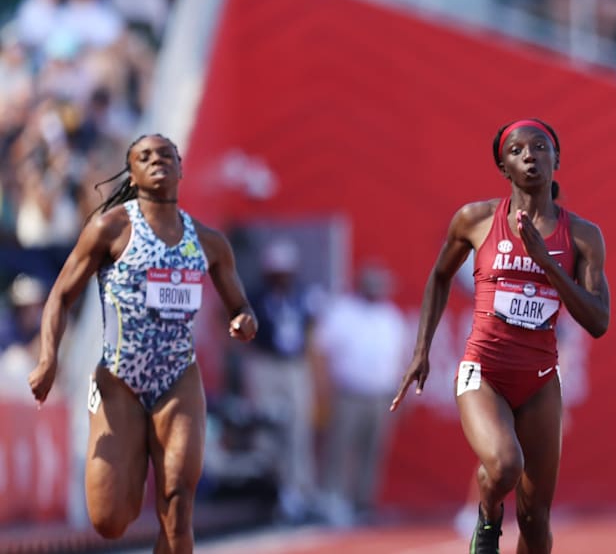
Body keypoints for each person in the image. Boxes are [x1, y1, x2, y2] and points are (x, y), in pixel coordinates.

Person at [26, 133, 257, 553]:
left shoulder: (208, 242)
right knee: (110, 519)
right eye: (144, 156)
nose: (157, 161)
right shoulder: (109, 228)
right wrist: (48, 360)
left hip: (178, 379)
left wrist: (244, 319)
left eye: (166, 155)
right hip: (119, 380)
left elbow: (241, 305)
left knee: (177, 502)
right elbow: (60, 295)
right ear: (132, 172)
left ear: (181, 168)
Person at [391, 118, 610, 554]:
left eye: (540, 147)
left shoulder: (583, 236)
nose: (530, 155)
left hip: (541, 380)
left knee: (534, 518)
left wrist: (547, 263)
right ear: (503, 167)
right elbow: (438, 278)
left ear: (557, 159)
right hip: (483, 371)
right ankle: (487, 519)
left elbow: (598, 320)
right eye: (516, 150)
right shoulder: (475, 219)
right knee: (505, 465)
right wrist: (422, 352)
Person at [312, 262, 408, 527]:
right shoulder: (343, 312)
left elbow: (400, 359)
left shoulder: (391, 316)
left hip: (380, 395)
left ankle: (362, 502)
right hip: (348, 393)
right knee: (340, 447)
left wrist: (401, 393)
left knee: (372, 450)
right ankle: (332, 500)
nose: (377, 290)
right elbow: (322, 352)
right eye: (372, 284)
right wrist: (323, 390)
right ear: (361, 284)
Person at [243, 237, 318, 524]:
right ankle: (270, 490)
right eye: (277, 272)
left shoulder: (302, 296)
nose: (282, 278)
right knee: (265, 427)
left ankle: (299, 491)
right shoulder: (256, 297)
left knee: (298, 427)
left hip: (295, 366)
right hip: (265, 364)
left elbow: (310, 331)